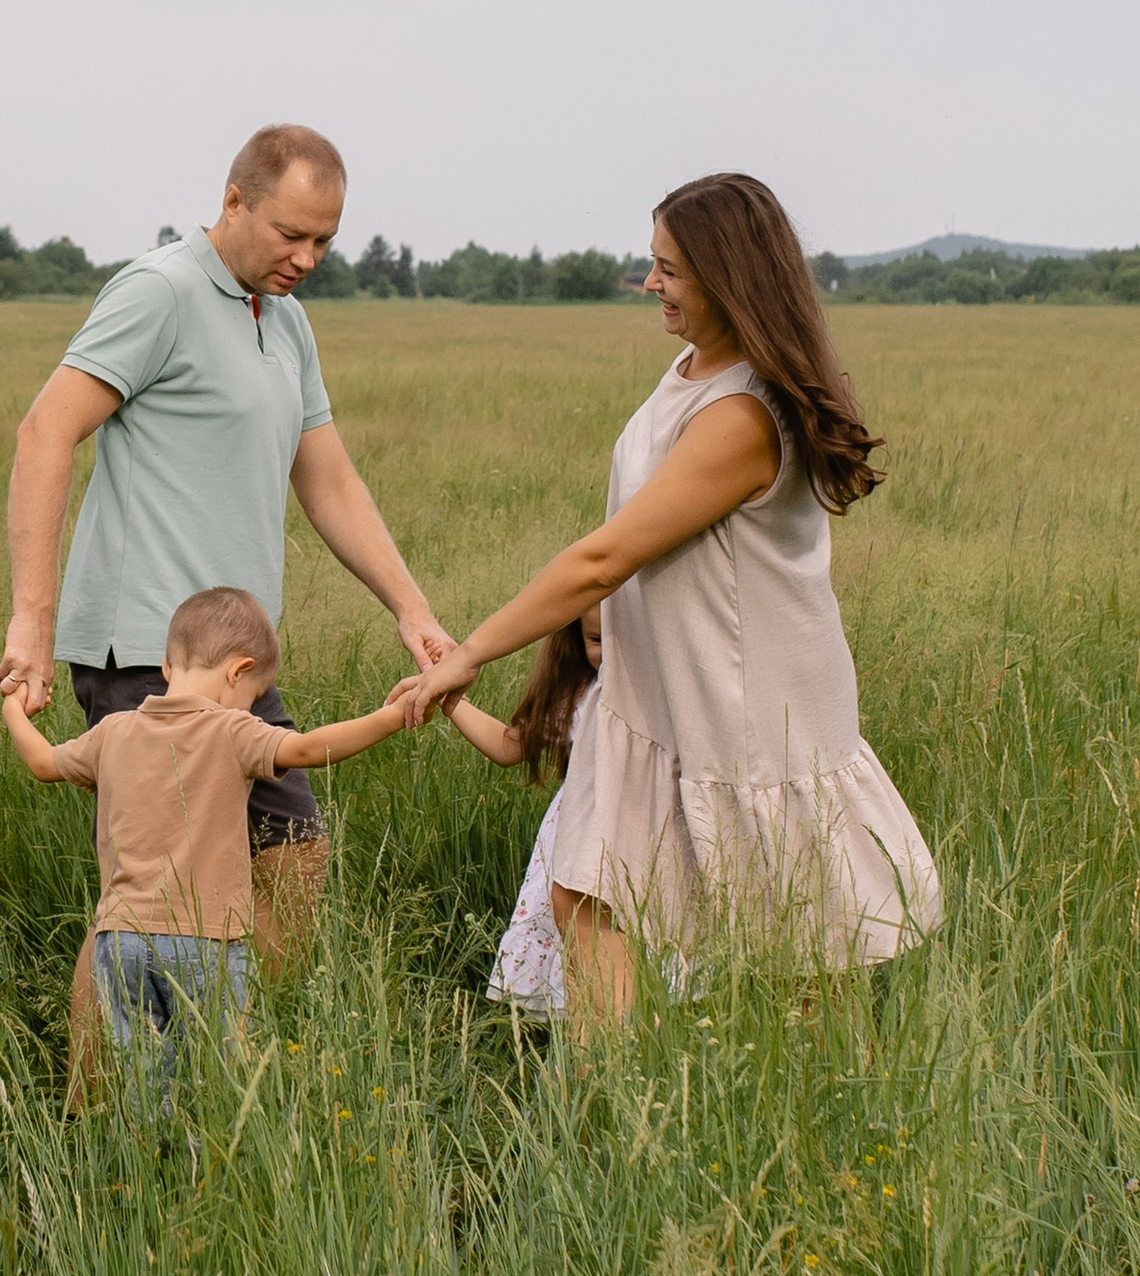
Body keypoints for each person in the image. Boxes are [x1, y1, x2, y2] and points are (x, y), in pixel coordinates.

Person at [400, 172, 941, 1022]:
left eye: (671, 270)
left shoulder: (744, 416)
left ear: (731, 279)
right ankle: (616, 1118)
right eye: (653, 264)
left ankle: (828, 1126)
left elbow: (606, 558)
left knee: (800, 961)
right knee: (587, 894)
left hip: (750, 711)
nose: (651, 283)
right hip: (656, 700)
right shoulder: (692, 369)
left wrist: (466, 656)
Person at [0, 123, 452, 1054]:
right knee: (182, 884)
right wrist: (32, 626)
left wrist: (414, 612)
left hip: (228, 661)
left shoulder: (283, 318)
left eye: (324, 239)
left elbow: (330, 478)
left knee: (248, 871)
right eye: (290, 233)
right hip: (149, 653)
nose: (307, 258)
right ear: (233, 200)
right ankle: (119, 1096)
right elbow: (46, 432)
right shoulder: (159, 291)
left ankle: (207, 1064)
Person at [1, 586, 413, 1104]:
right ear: (239, 672)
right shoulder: (234, 730)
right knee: (219, 1084)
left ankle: (144, 1166)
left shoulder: (113, 732)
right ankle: (206, 1173)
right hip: (205, 944)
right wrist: (397, 716)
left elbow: (43, 765)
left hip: (120, 941)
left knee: (140, 1084)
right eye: (254, 693)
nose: (250, 706)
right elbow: (309, 749)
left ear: (166, 666)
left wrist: (14, 710)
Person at [439, 607, 603, 1017]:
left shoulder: (664, 687)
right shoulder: (580, 693)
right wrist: (449, 699)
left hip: (648, 829)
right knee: (584, 954)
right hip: (581, 833)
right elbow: (510, 747)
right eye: (597, 641)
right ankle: (585, 1058)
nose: (610, 653)